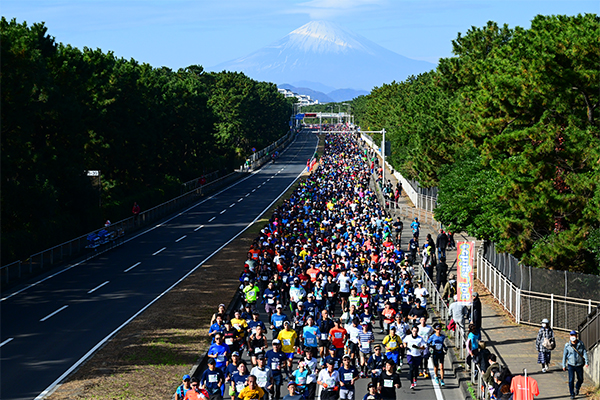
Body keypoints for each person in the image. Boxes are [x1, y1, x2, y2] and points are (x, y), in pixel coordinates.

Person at [562, 330, 589, 399]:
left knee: (580, 379)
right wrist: (563, 365)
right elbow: (565, 355)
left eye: (574, 335)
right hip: (571, 364)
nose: (573, 337)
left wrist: (586, 362)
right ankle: (572, 394)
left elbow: (584, 352)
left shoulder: (581, 344)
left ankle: (577, 388)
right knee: (571, 380)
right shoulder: (567, 345)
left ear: (576, 336)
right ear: (570, 336)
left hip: (579, 364)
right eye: (571, 335)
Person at [403, 325, 426, 389]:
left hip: (417, 355)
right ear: (411, 331)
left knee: (416, 369)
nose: (414, 332)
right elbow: (404, 342)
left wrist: (418, 347)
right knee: (411, 368)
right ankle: (412, 383)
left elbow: (424, 347)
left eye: (416, 331)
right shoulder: (408, 337)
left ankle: (415, 379)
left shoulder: (420, 338)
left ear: (417, 332)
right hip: (410, 354)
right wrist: (405, 346)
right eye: (413, 331)